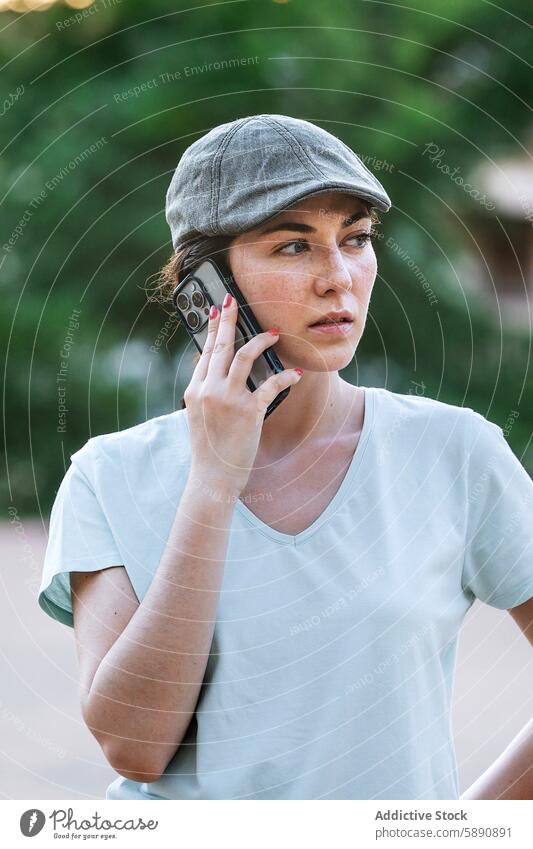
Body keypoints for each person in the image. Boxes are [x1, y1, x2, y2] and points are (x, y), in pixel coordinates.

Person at [38, 114, 533, 801]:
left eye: (354, 239)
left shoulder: (452, 451)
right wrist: (212, 483)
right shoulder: (109, 475)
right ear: (207, 289)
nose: (339, 278)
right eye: (294, 245)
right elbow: (136, 745)